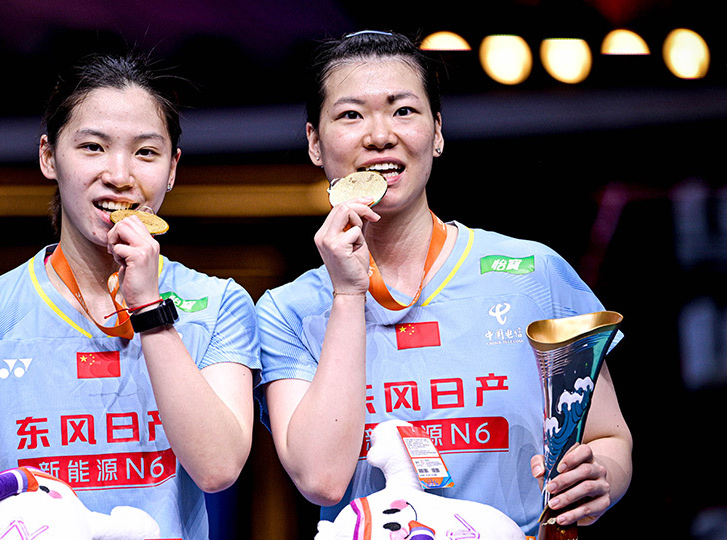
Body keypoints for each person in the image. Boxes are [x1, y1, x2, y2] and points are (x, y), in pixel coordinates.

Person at [255, 30, 632, 536]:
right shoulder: (287, 310)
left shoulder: (533, 273)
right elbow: (321, 480)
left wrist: (597, 477)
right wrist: (347, 295)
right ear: (314, 144)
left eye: (403, 111)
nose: (379, 135)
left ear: (436, 131)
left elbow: (609, 437)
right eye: (351, 115)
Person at [0, 51, 259, 540]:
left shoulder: (219, 304)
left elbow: (218, 468)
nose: (120, 175)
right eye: (93, 147)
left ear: (172, 169)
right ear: (48, 156)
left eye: (146, 153)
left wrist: (149, 308)